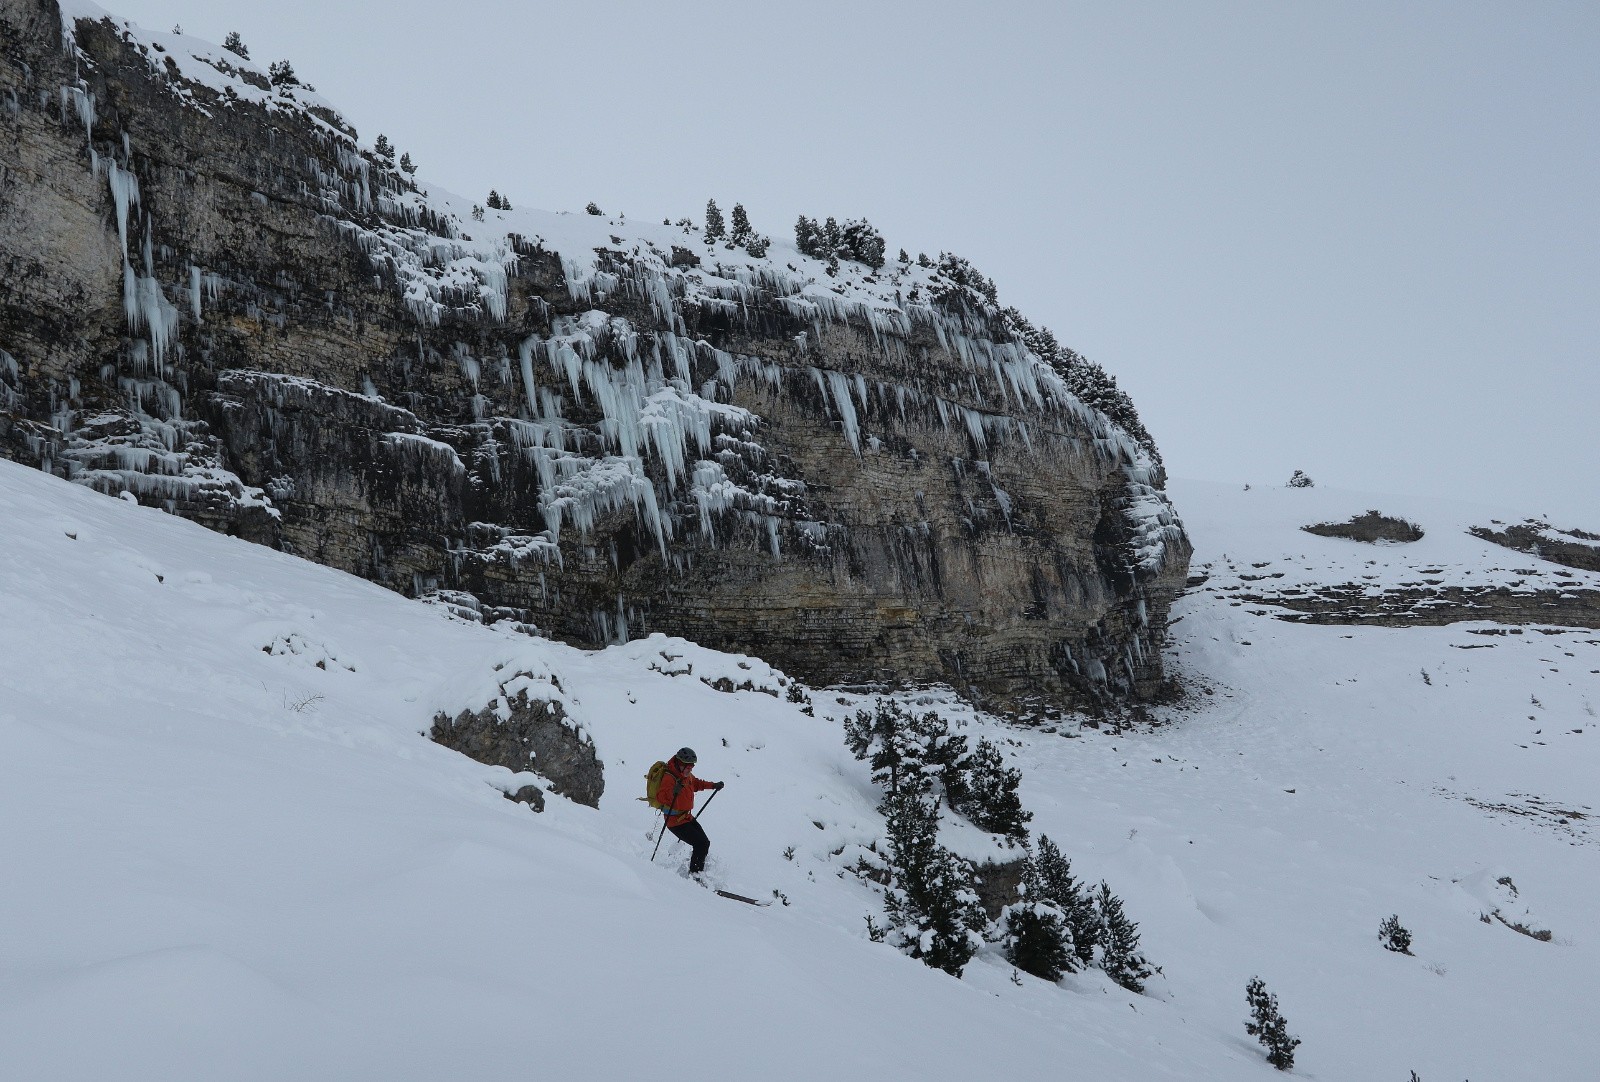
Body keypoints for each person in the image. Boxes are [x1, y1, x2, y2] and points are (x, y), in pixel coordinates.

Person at [656, 747, 723, 876]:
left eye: (692, 766)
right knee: (701, 844)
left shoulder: (686, 776)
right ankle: (695, 876)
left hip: (687, 817)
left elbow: (696, 784)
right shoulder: (669, 778)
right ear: (680, 764)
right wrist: (673, 792)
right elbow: (660, 797)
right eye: (688, 766)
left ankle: (696, 873)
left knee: (704, 843)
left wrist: (713, 785)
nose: (691, 769)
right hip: (675, 821)